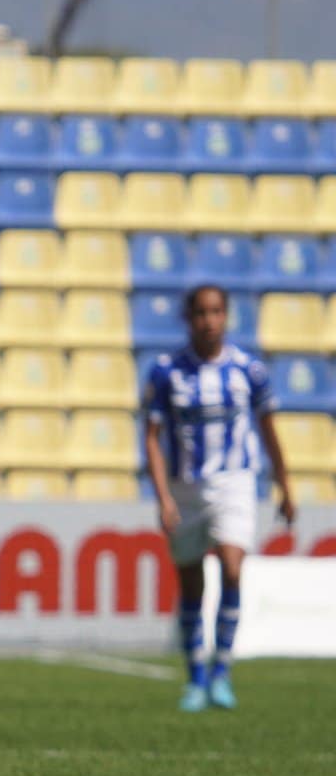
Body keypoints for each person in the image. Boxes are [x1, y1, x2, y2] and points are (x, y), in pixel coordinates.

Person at [143, 283, 293, 713]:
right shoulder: (166, 371)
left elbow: (268, 429)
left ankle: (222, 671)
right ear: (188, 319)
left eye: (216, 312)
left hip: (235, 481)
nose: (209, 321)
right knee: (191, 583)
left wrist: (286, 484)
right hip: (186, 488)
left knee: (231, 566)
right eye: (201, 313)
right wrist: (164, 498)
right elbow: (151, 438)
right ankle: (195, 677)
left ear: (226, 316)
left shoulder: (249, 370)